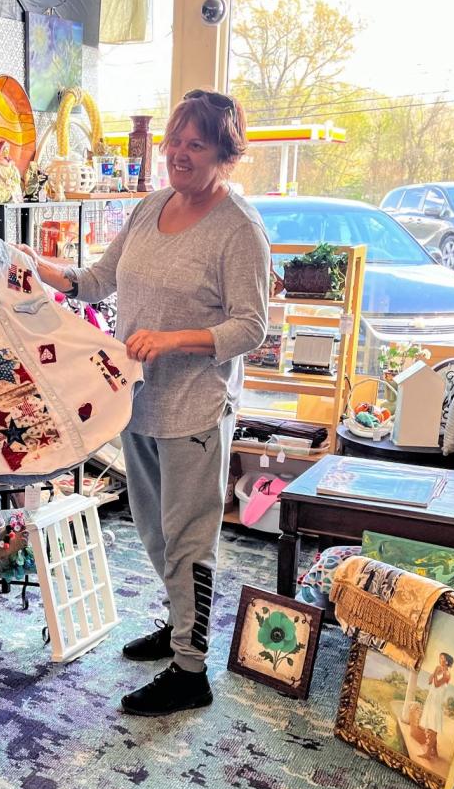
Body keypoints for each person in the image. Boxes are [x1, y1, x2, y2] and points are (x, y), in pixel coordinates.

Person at [22, 89, 269, 716]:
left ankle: (191, 672)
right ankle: (176, 626)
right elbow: (101, 279)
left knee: (190, 537)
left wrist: (173, 339)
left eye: (196, 145)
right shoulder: (152, 206)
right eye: (173, 142)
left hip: (195, 407)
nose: (178, 155)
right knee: (157, 534)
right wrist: (42, 268)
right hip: (138, 400)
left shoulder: (239, 229)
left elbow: (251, 327)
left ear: (224, 153)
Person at [420, 652, 453, 761]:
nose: (440, 659)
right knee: (431, 724)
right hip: (431, 699)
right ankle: (435, 751)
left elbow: (437, 684)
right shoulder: (438, 670)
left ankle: (428, 753)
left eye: (442, 658)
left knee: (433, 727)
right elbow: (430, 682)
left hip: (437, 702)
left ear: (447, 661)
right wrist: (434, 673)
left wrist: (435, 672)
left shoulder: (447, 674)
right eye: (440, 657)